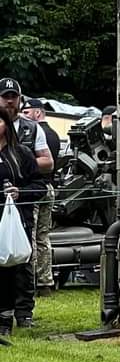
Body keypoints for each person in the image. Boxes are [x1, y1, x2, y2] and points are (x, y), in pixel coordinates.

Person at [0, 78, 53, 328]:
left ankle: (24, 313)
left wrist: (19, 187)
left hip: (21, 210)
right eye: (4, 96)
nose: (9, 100)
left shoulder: (28, 136)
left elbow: (46, 166)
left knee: (24, 257)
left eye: (13, 96)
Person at [21, 98, 61, 297]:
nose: (23, 116)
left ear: (37, 113)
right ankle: (46, 280)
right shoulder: (53, 134)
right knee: (44, 236)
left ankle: (33, 282)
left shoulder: (35, 132)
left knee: (31, 235)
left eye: (27, 112)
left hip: (35, 188)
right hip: (49, 187)